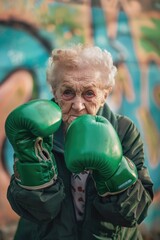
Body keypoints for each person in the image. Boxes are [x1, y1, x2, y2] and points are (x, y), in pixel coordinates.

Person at [5, 44, 154, 240]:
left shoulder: (123, 130)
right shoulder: (37, 132)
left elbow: (134, 213)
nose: (78, 105)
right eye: (68, 92)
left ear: (104, 95)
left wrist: (115, 172)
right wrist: (33, 162)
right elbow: (36, 211)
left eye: (89, 93)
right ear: (54, 92)